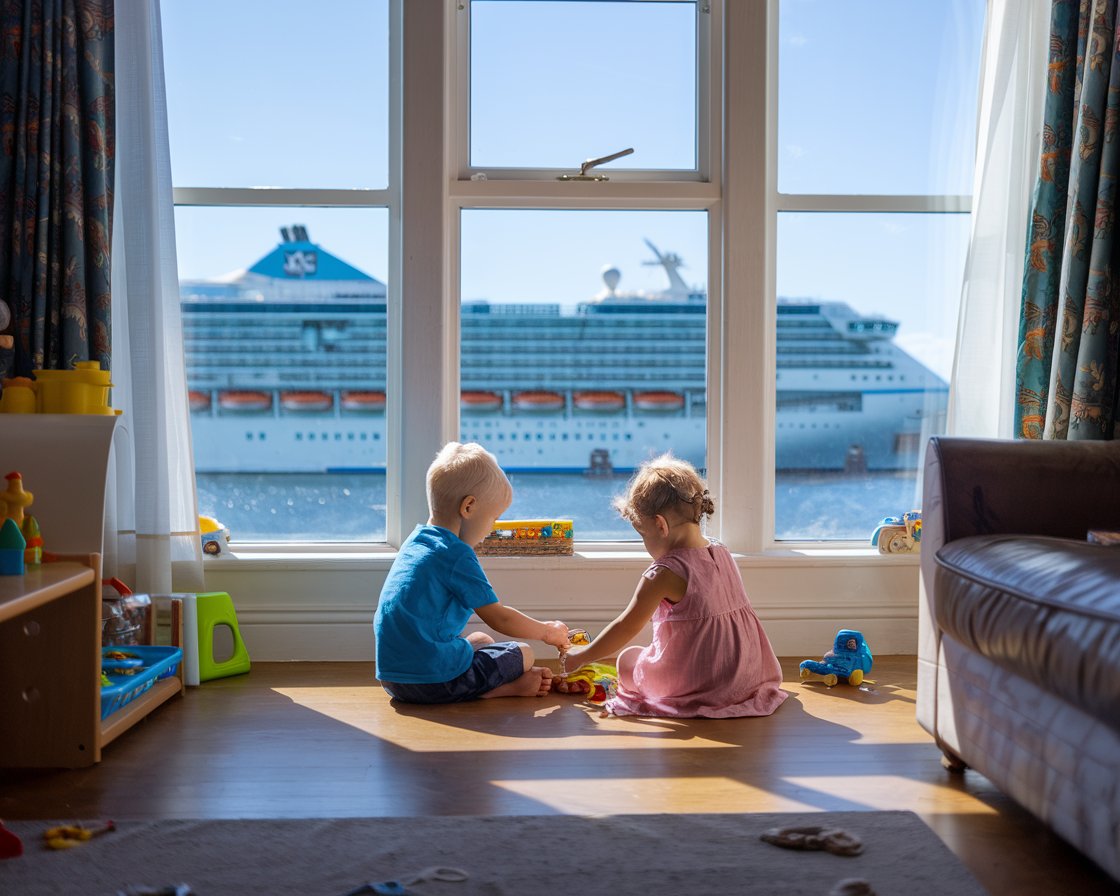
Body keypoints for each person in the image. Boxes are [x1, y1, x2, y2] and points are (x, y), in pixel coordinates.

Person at [559, 454, 788, 718]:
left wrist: (581, 656)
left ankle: (680, 690)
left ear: (660, 525)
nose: (645, 545)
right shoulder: (722, 552)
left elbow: (626, 627)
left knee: (628, 660)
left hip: (698, 683)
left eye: (642, 534)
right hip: (745, 677)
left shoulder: (663, 573)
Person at [375, 441, 571, 703]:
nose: (491, 528)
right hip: (433, 682)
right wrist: (547, 632)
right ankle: (497, 690)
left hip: (393, 680)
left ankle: (478, 682)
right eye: (493, 518)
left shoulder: (417, 541)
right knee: (524, 654)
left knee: (480, 639)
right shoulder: (456, 554)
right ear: (468, 507)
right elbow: (500, 618)